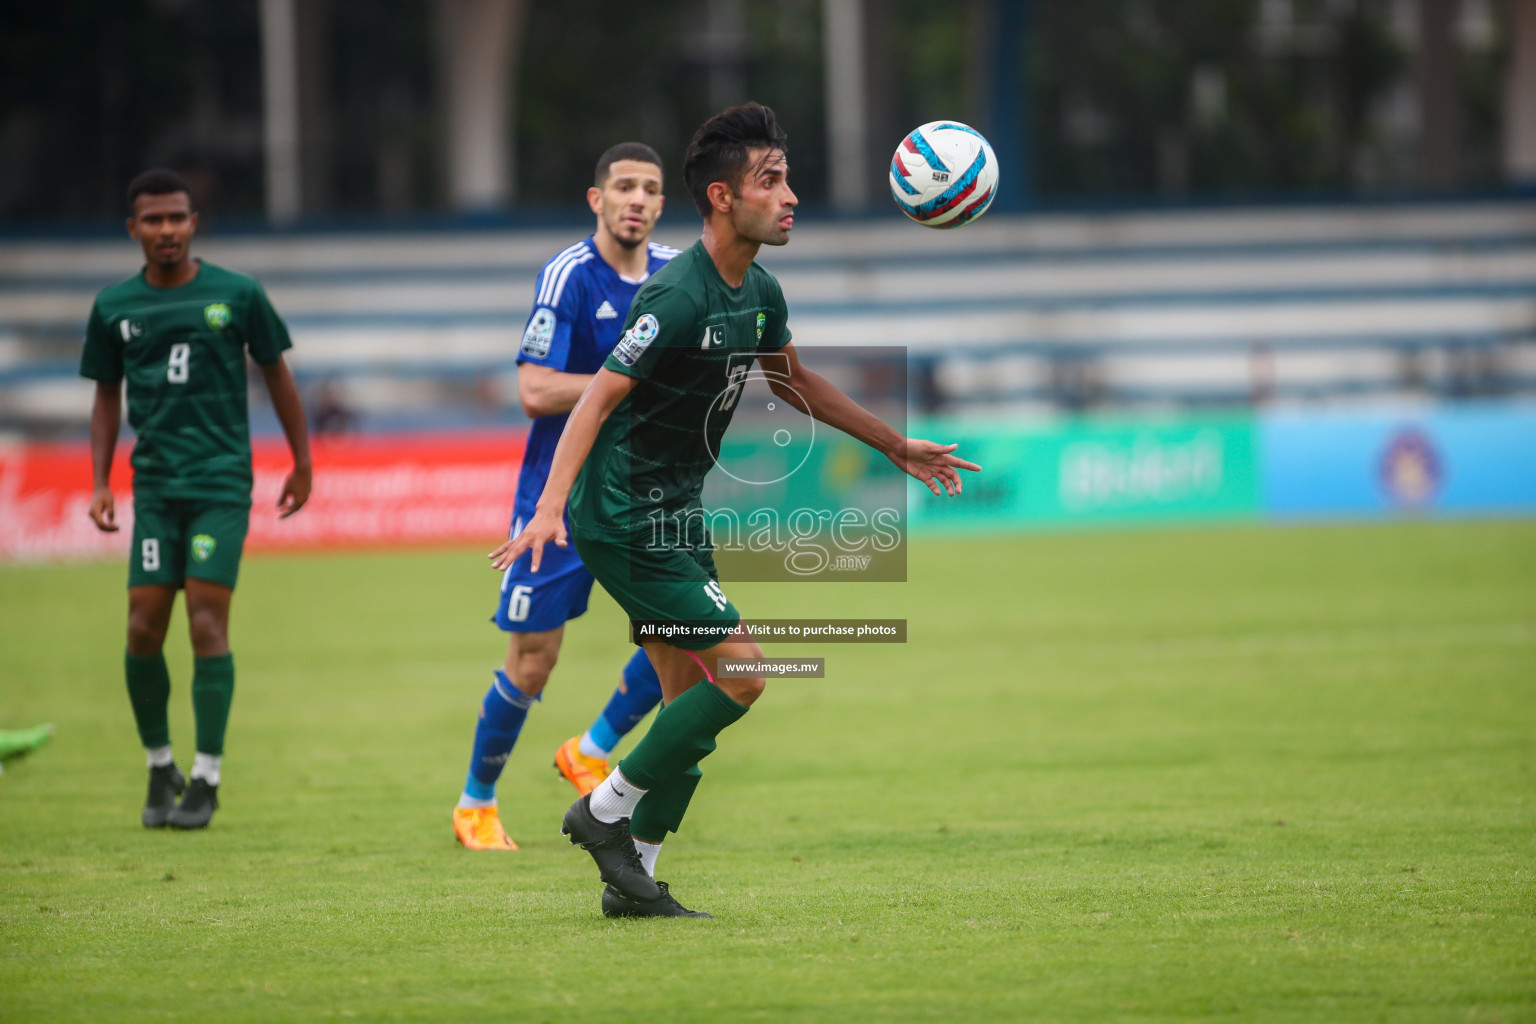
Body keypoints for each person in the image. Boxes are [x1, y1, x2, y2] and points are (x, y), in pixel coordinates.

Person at [490, 103, 979, 917]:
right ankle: (603, 810)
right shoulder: (675, 297)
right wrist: (546, 510)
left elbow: (792, 381)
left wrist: (894, 444)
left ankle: (634, 876)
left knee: (689, 696)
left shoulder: (758, 289)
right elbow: (595, 398)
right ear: (722, 197)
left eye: (787, 178)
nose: (790, 196)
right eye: (771, 180)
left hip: (678, 511)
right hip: (624, 517)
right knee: (746, 672)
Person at [451, 143, 679, 851]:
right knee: (533, 661)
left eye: (649, 189)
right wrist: (630, 383)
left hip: (643, 495)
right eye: (624, 188)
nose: (637, 200)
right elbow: (533, 390)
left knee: (684, 635)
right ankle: (476, 804)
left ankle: (590, 750)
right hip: (561, 498)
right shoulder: (570, 276)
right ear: (597, 200)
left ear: (661, 203)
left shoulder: (678, 275)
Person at [81, 168, 312, 830]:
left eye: (177, 218)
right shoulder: (113, 307)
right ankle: (160, 764)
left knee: (207, 622)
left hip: (218, 484)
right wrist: (100, 480)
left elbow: (278, 376)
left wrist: (301, 461)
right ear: (134, 230)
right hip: (154, 487)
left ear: (193, 223)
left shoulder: (238, 294)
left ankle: (206, 775)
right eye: (152, 221)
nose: (167, 230)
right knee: (141, 626)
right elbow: (105, 394)